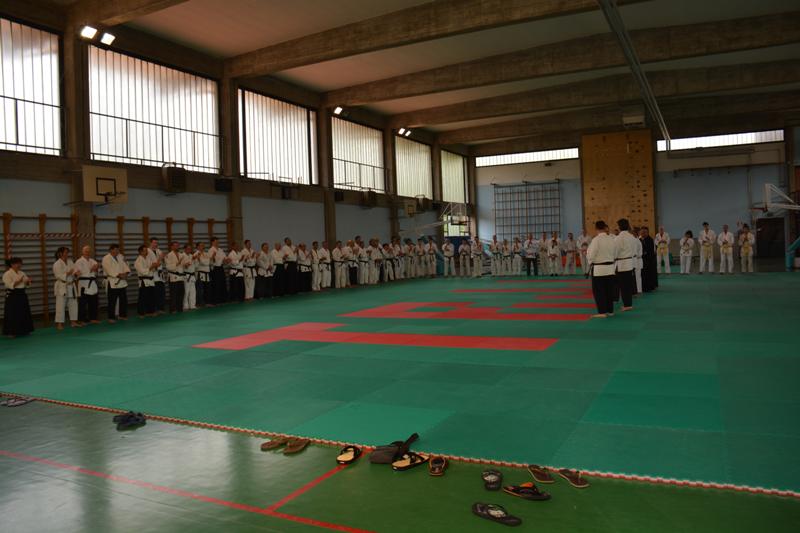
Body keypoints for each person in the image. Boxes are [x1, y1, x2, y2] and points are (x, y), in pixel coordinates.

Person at [586, 221, 616, 318]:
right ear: (604, 227)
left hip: (599, 270)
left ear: (596, 228)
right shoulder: (612, 239)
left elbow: (591, 255)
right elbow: (615, 253)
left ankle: (602, 311)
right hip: (610, 268)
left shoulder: (596, 240)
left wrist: (590, 261)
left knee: (599, 291)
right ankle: (610, 311)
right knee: (609, 290)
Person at [3, 257, 34, 337]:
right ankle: (11, 332)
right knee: (12, 314)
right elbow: (9, 285)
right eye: (17, 263)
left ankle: (25, 330)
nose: (19, 265)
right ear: (12, 264)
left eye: (20, 263)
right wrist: (19, 281)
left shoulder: (22, 273)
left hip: (22, 294)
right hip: (12, 295)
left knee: (24, 312)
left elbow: (27, 283)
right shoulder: (7, 274)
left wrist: (28, 281)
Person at [52, 246, 80, 330]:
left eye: (67, 252)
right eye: (66, 252)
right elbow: (58, 275)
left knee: (73, 304)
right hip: (62, 285)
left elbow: (75, 271)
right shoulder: (57, 264)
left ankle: (73, 322)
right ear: (60, 253)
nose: (67, 254)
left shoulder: (70, 261)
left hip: (71, 285)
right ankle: (59, 324)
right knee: (60, 305)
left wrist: (76, 274)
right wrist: (68, 273)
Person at [102, 243, 130, 323]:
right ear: (111, 250)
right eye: (116, 250)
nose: (117, 251)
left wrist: (126, 273)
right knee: (112, 301)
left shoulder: (120, 256)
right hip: (113, 281)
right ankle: (111, 317)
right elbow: (108, 270)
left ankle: (122, 315)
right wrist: (119, 275)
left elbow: (125, 266)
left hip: (122, 282)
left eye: (118, 250)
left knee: (123, 300)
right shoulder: (106, 258)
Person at [614, 219, 637, 311]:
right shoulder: (632, 237)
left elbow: (615, 252)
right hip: (630, 263)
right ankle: (628, 304)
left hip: (622, 264)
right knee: (628, 285)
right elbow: (634, 251)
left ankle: (627, 305)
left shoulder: (618, 238)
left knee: (623, 286)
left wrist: (613, 258)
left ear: (619, 227)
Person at [75, 245, 100, 324]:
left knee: (93, 302)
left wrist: (96, 269)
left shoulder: (93, 261)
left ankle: (93, 318)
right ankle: (81, 319)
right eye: (86, 251)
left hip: (92, 284)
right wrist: (91, 269)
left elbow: (97, 271)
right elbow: (79, 273)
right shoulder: (79, 261)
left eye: (89, 251)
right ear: (82, 252)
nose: (87, 252)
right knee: (82, 303)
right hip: (84, 284)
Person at [134, 244, 156, 317]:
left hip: (150, 280)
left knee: (151, 297)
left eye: (147, 250)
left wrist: (154, 266)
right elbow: (142, 272)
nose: (147, 252)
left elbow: (153, 269)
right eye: (145, 251)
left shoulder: (148, 258)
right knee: (143, 297)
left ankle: (150, 311)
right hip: (144, 281)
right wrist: (151, 267)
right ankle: (141, 313)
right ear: (140, 252)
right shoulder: (138, 261)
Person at [164, 241, 185, 313]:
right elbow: (168, 267)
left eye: (178, 245)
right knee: (173, 294)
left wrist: (185, 264)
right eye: (175, 246)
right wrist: (177, 263)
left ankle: (180, 308)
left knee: (181, 293)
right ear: (171, 247)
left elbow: (183, 265)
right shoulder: (168, 255)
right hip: (173, 277)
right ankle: (172, 309)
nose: (177, 247)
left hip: (180, 277)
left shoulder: (181, 254)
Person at [147, 238, 166, 313]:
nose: (156, 244)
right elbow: (153, 264)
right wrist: (160, 258)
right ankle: (155, 309)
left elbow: (163, 261)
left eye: (157, 243)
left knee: (162, 292)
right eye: (154, 243)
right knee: (155, 293)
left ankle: (161, 308)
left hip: (160, 275)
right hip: (153, 274)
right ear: (150, 243)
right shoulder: (147, 251)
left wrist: (163, 258)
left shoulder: (159, 251)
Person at [209, 237, 227, 303]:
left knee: (222, 283)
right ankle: (216, 300)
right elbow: (210, 261)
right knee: (216, 284)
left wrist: (226, 260)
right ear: (212, 242)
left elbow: (224, 258)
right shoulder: (211, 250)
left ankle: (222, 299)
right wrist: (213, 257)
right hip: (215, 269)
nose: (217, 243)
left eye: (217, 242)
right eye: (216, 242)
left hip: (221, 268)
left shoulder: (220, 250)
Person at [640, 227, 658, 292]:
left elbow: (650, 251)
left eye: (644, 232)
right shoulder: (640, 239)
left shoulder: (650, 240)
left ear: (647, 233)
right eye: (642, 232)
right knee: (643, 274)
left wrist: (644, 253)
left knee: (650, 274)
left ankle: (650, 287)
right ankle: (643, 287)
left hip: (649, 260)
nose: (643, 234)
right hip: (642, 260)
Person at [182, 243, 197, 310]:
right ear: (184, 249)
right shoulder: (182, 256)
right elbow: (184, 266)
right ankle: (185, 306)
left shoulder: (192, 256)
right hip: (186, 276)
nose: (189, 250)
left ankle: (192, 305)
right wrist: (192, 260)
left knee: (193, 291)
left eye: (190, 249)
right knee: (186, 292)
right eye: (188, 249)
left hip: (192, 275)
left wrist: (196, 259)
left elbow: (196, 266)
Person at [195, 242, 211, 307]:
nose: (203, 246)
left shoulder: (206, 253)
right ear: (198, 247)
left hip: (207, 273)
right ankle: (200, 303)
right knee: (200, 290)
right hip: (200, 273)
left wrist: (201, 260)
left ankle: (207, 302)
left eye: (203, 245)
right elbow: (197, 265)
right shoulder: (196, 254)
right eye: (201, 245)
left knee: (207, 289)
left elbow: (208, 262)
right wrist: (203, 261)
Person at [633, 227, 643, 294]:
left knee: (638, 276)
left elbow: (637, 252)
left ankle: (638, 290)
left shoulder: (637, 240)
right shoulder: (635, 240)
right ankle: (637, 290)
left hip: (637, 259)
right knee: (637, 276)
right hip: (636, 259)